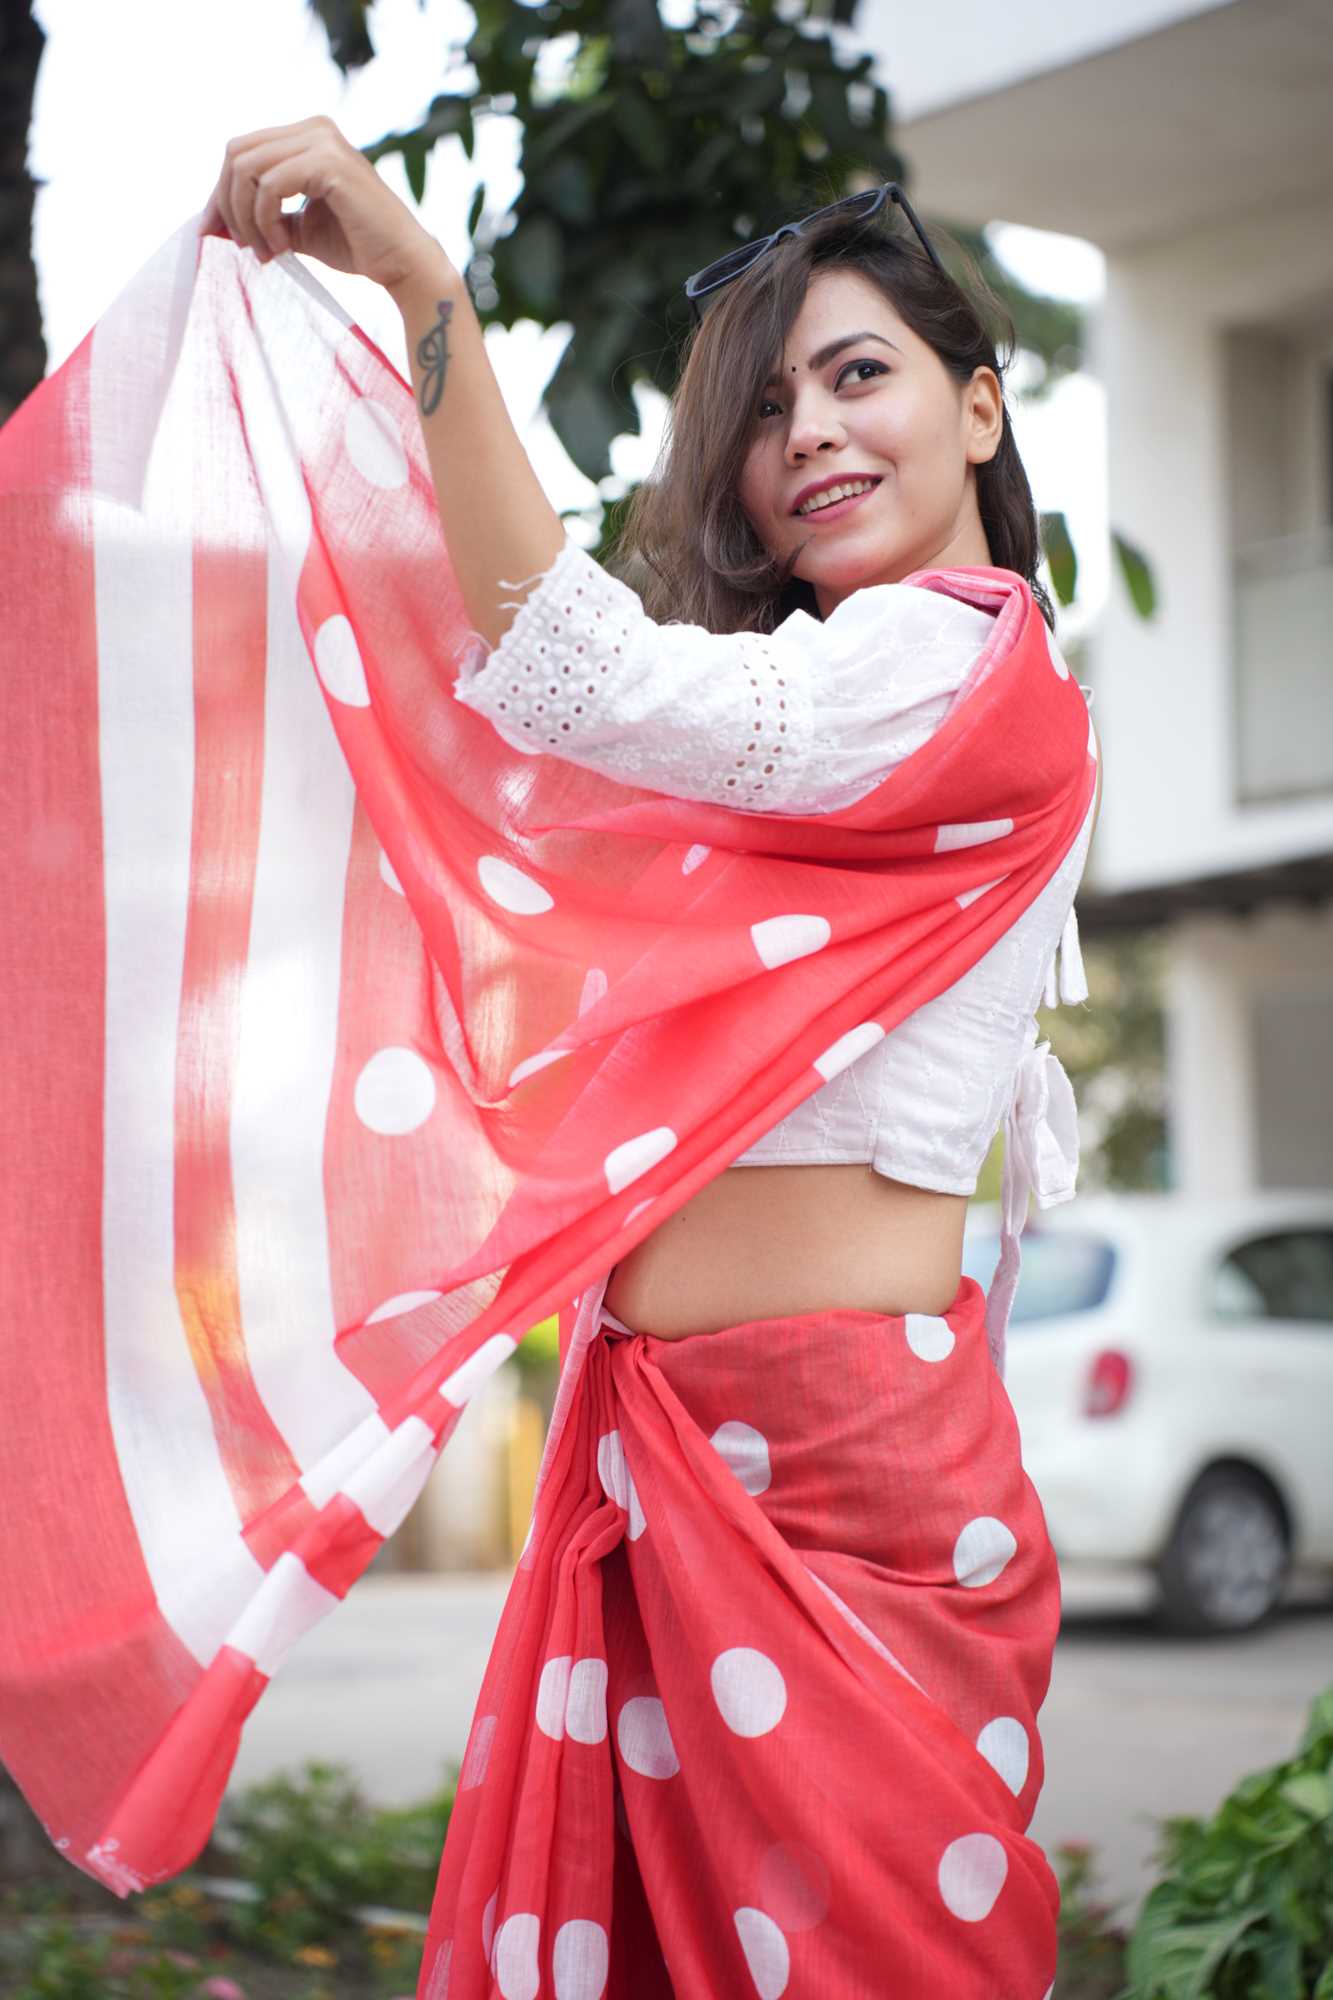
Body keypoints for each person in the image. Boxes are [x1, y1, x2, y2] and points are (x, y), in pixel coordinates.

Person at [0, 116, 1097, 2000]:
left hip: (839, 1483)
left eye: (860, 376)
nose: (811, 434)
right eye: (765, 413)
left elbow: (582, 680)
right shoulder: (823, 745)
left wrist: (427, 297)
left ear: (981, 415)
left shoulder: (954, 668)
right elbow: (559, 774)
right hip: (675, 1450)